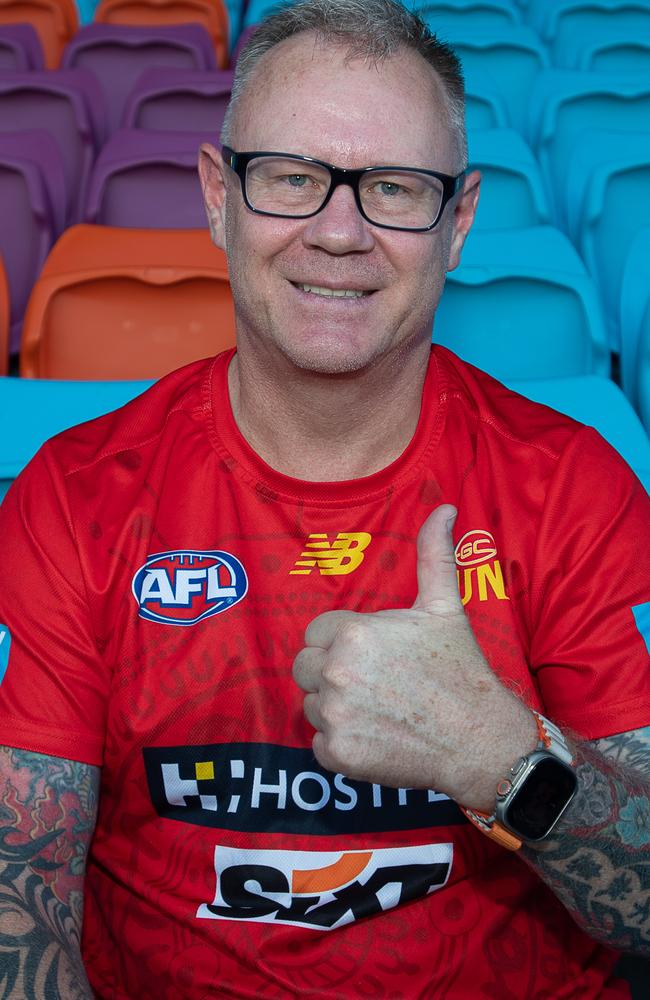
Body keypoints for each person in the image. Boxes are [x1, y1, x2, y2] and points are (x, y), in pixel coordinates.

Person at [0, 0, 648, 997]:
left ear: (458, 221)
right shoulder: (75, 499)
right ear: (219, 196)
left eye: (392, 187)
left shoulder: (572, 491)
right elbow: (22, 895)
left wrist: (501, 760)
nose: (337, 232)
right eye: (292, 178)